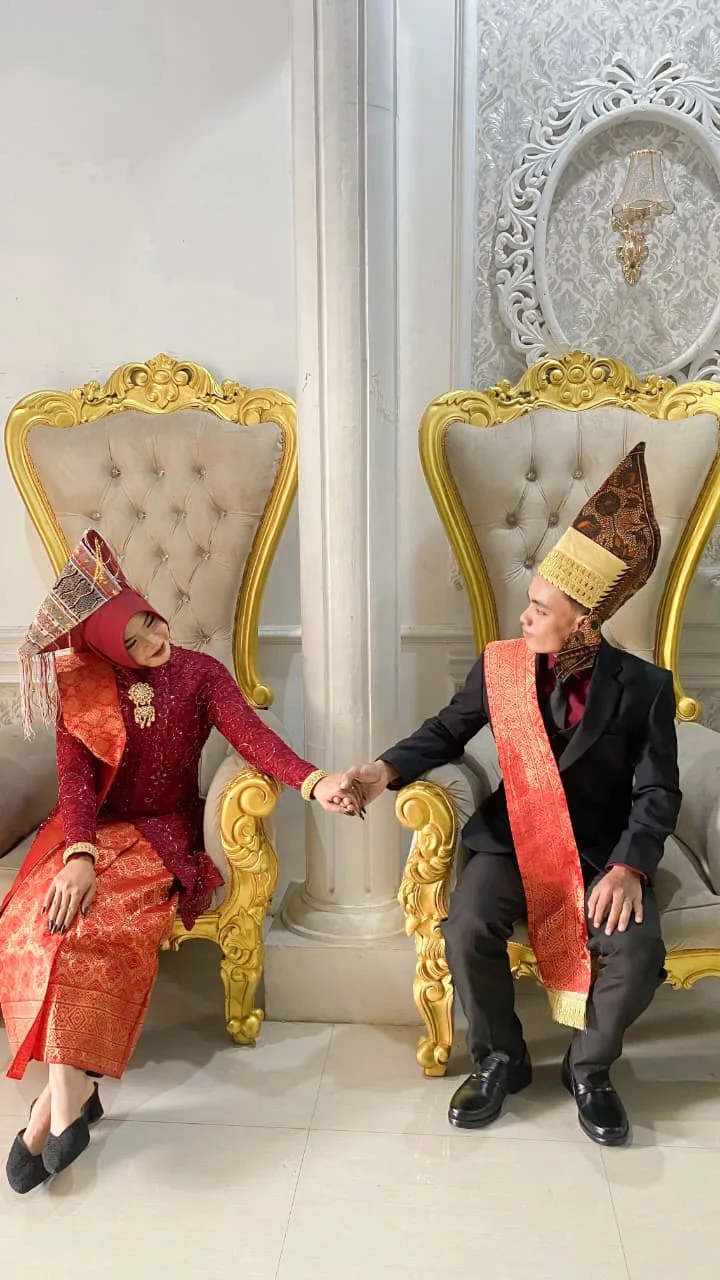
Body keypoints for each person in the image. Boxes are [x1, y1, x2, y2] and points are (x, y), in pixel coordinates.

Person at [341, 444, 681, 1147]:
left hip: (601, 850)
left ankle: (589, 1069)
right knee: (466, 925)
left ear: (584, 622)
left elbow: (657, 789)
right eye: (528, 602)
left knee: (640, 952)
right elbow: (446, 731)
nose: (523, 616)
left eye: (539, 608)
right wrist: (382, 770)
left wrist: (629, 867)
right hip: (511, 839)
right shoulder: (501, 666)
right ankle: (501, 1059)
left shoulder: (645, 687)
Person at [0, 530, 360, 1193]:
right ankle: (70, 1098)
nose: (154, 643)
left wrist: (315, 783)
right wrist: (79, 855)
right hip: (85, 835)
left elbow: (253, 737)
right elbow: (74, 780)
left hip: (160, 833)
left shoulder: (200, 674)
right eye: (133, 641)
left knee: (92, 931)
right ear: (108, 648)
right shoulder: (83, 686)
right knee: (46, 920)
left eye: (152, 624)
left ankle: (51, 1109)